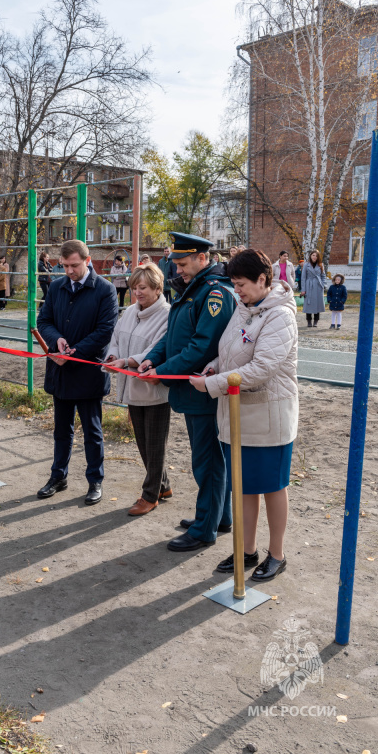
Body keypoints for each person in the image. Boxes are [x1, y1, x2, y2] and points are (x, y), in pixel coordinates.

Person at [190, 249, 298, 582]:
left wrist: (213, 384)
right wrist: (215, 366)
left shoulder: (280, 315)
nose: (237, 290)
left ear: (263, 280)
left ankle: (276, 554)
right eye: (234, 285)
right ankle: (246, 549)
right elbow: (232, 352)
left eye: (241, 284)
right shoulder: (245, 308)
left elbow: (262, 368)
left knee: (272, 488)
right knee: (244, 487)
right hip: (238, 418)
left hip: (268, 419)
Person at [139, 232, 237, 551]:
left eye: (182, 264)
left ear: (202, 258)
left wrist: (163, 372)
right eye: (175, 264)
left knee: (207, 463)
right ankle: (218, 517)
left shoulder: (215, 293)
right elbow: (173, 337)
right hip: (192, 388)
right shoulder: (192, 288)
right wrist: (154, 358)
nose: (177, 270)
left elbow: (200, 347)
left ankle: (203, 529)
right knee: (209, 460)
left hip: (203, 390)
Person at [37, 239, 118, 505]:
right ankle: (58, 476)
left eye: (74, 265)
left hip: (87, 371)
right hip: (60, 371)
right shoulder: (57, 287)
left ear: (87, 260)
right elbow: (44, 320)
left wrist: (75, 352)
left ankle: (95, 480)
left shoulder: (105, 290)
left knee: (92, 431)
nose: (69, 271)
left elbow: (105, 330)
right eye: (65, 266)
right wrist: (56, 339)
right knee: (61, 429)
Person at [104, 263, 170, 515]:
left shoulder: (167, 314)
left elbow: (157, 348)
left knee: (154, 444)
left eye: (142, 288)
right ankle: (163, 485)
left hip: (154, 390)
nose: (137, 293)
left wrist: (128, 360)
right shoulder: (130, 312)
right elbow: (116, 339)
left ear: (156, 288)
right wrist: (113, 357)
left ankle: (150, 495)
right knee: (143, 442)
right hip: (132, 387)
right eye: (134, 288)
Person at [301, 249, 327, 327]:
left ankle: (316, 321)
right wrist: (303, 290)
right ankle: (309, 321)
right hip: (309, 285)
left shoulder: (321, 265)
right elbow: (303, 278)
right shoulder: (306, 265)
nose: (314, 257)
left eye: (316, 255)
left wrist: (323, 285)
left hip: (318, 286)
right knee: (308, 304)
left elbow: (323, 276)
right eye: (313, 255)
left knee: (317, 304)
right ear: (310, 256)